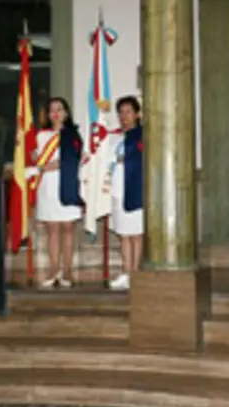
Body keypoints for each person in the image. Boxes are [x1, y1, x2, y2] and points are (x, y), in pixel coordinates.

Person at [26, 97, 83, 288]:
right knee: (52, 229)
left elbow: (73, 159)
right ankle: (53, 270)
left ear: (66, 112)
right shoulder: (41, 136)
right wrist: (35, 159)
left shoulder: (73, 135)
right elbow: (36, 160)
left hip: (66, 184)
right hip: (47, 187)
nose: (55, 113)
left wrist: (49, 166)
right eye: (52, 110)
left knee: (67, 228)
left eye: (59, 109)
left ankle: (67, 270)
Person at [108, 96, 144, 291]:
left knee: (136, 235)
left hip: (135, 189)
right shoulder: (115, 138)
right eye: (121, 112)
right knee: (123, 234)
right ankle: (126, 271)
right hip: (117, 191)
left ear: (137, 114)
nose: (124, 116)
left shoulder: (142, 135)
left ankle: (135, 273)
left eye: (128, 112)